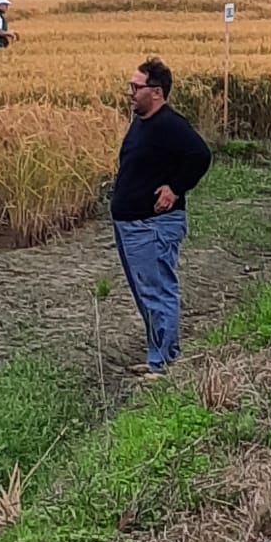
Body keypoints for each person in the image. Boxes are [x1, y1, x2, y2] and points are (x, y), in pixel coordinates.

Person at [111, 57, 212, 375]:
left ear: (155, 92)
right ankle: (158, 354)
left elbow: (201, 155)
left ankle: (164, 364)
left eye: (136, 87)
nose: (130, 92)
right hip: (133, 224)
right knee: (146, 293)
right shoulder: (142, 121)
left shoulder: (170, 124)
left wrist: (175, 188)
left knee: (157, 291)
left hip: (151, 227)